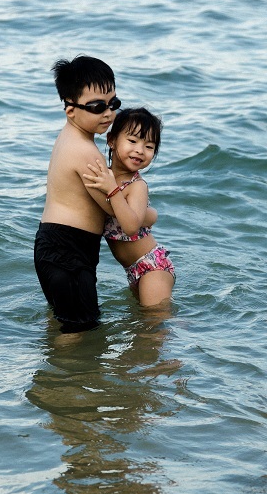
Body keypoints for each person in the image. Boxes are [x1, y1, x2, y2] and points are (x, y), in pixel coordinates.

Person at [35, 56, 121, 333]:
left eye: (113, 103)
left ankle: (58, 373)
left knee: (66, 322)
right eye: (97, 107)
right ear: (70, 109)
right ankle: (67, 375)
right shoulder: (85, 152)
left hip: (56, 245)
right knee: (79, 331)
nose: (107, 113)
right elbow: (111, 207)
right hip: (68, 249)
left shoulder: (71, 138)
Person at [82, 108, 175, 307]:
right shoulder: (105, 177)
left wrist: (112, 190)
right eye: (132, 141)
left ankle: (191, 334)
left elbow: (131, 226)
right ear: (111, 140)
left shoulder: (136, 186)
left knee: (154, 323)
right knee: (144, 325)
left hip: (153, 266)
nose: (140, 150)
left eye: (149, 146)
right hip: (132, 270)